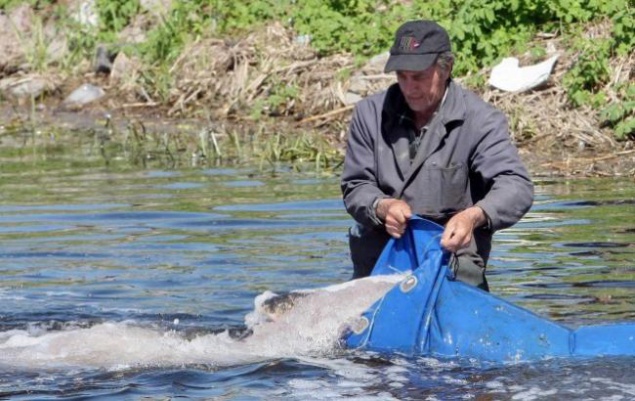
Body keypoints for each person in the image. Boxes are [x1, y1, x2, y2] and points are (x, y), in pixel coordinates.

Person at [340, 20, 534, 291]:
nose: (409, 87)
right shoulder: (369, 114)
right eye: (401, 76)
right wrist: (380, 207)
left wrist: (473, 216)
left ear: (446, 69)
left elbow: (516, 185)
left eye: (418, 76)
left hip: (452, 265)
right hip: (379, 265)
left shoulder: (480, 120)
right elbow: (356, 185)